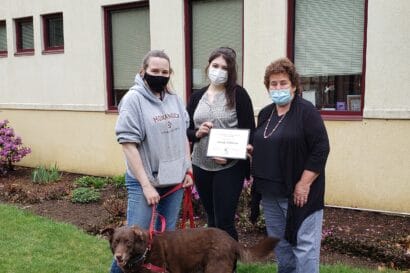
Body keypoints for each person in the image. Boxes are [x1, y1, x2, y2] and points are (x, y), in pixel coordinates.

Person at [111, 50, 193, 273]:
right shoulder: (133, 100)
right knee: (130, 243)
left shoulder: (174, 99)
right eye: (154, 71)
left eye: (164, 72)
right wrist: (146, 185)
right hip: (144, 184)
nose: (160, 75)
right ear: (143, 71)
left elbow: (183, 135)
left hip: (173, 183)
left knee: (160, 245)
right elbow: (128, 143)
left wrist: (188, 169)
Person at [248, 57, 330, 273]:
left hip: (299, 194)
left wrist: (304, 183)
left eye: (283, 83)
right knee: (281, 245)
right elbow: (269, 144)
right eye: (273, 84)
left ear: (293, 85)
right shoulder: (266, 114)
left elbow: (321, 149)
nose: (278, 88)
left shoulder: (306, 112)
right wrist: (252, 152)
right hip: (270, 192)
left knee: (304, 247)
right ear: (268, 87)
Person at [186, 47, 255, 240]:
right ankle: (214, 263)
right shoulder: (196, 96)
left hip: (229, 167)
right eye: (215, 65)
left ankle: (229, 265)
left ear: (231, 71)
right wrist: (197, 133)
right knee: (212, 220)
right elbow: (186, 131)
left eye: (224, 67)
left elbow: (250, 134)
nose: (218, 70)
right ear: (208, 66)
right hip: (201, 165)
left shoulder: (238, 95)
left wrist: (230, 155)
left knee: (224, 222)